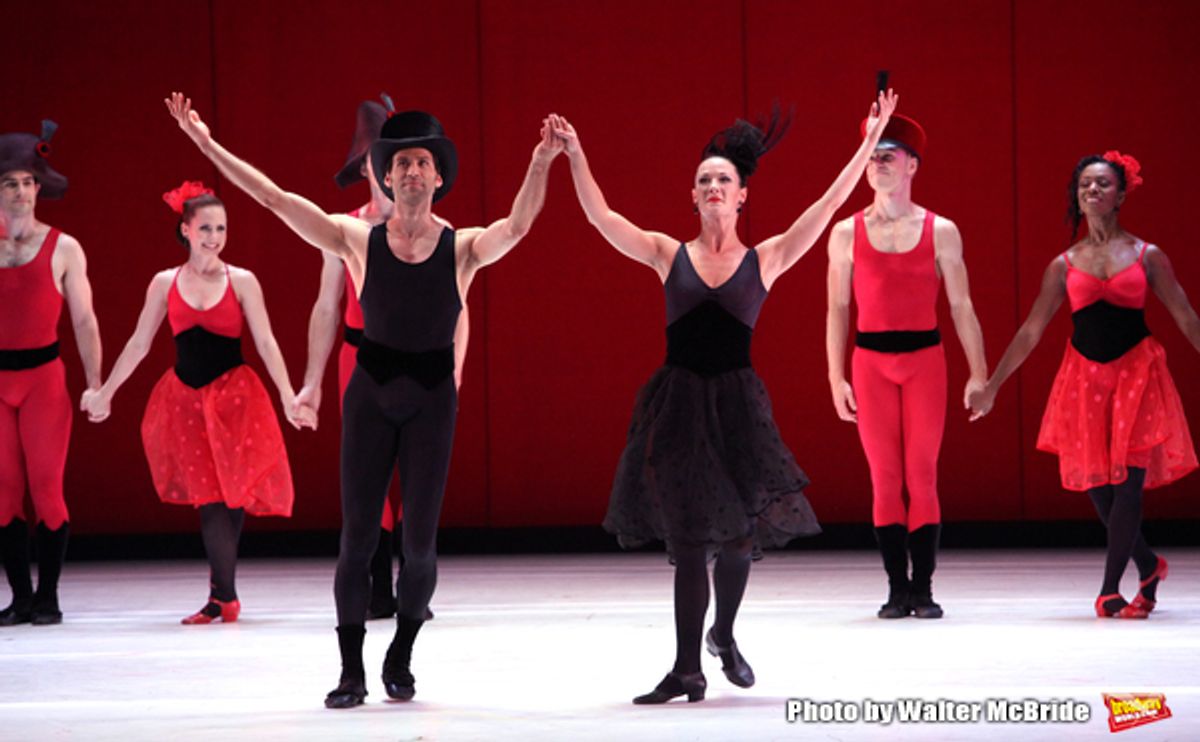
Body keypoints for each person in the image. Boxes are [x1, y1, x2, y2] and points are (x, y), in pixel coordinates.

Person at [164, 92, 563, 708]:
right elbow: (275, 199)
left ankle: (401, 652)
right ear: (384, 175)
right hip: (371, 394)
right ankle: (352, 668)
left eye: (420, 162)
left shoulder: (461, 248)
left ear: (437, 177)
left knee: (420, 543)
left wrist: (539, 161)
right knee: (357, 538)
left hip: (432, 399)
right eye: (398, 162)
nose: (409, 171)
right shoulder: (355, 237)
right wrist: (206, 146)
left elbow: (518, 227)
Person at [549, 89, 897, 705]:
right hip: (679, 407)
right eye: (704, 178)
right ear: (693, 194)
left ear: (742, 196)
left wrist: (869, 140)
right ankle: (687, 669)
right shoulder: (666, 254)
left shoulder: (767, 258)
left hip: (737, 410)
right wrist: (574, 153)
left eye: (724, 179)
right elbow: (603, 218)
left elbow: (829, 202)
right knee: (687, 543)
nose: (713, 185)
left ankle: (724, 637)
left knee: (736, 539)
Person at [968, 152, 1195, 618]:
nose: (1092, 191)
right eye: (1085, 185)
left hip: (1137, 373)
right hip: (1085, 379)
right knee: (1100, 489)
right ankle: (1149, 566)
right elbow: (1032, 330)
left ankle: (1110, 589)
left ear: (1120, 195)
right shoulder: (1064, 264)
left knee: (1128, 485)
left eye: (1103, 184)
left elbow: (1188, 318)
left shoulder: (1146, 255)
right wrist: (991, 386)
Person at [81, 181, 311, 624]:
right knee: (209, 500)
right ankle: (223, 595)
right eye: (205, 227)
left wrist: (288, 395)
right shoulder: (165, 282)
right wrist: (107, 391)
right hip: (186, 401)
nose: (214, 237)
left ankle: (222, 594)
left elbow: (266, 341)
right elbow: (138, 343)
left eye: (221, 228)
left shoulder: (241, 280)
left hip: (236, 400)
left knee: (233, 497)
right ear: (185, 229)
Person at [297, 94, 462, 621]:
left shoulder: (439, 234)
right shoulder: (346, 231)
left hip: (424, 363)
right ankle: (376, 588)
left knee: (415, 492)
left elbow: (459, 310)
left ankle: (410, 583)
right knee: (369, 492)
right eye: (386, 159)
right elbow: (327, 305)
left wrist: (452, 371)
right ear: (373, 168)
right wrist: (312, 382)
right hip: (361, 358)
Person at [825, 112, 987, 620]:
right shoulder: (845, 234)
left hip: (924, 361)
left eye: (887, 156)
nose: (878, 165)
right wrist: (835, 376)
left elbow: (961, 305)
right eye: (872, 158)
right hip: (871, 362)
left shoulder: (941, 231)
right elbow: (837, 309)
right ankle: (897, 587)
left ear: (912, 164)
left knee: (921, 474)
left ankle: (924, 587)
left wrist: (979, 372)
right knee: (883, 476)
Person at [0, 120, 101, 626]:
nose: (21, 192)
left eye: (27, 182)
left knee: (46, 488)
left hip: (43, 379)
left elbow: (84, 319)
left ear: (39, 188)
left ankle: (49, 595)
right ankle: (19, 596)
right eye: (10, 183)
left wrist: (96, 383)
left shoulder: (64, 247)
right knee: (2, 491)